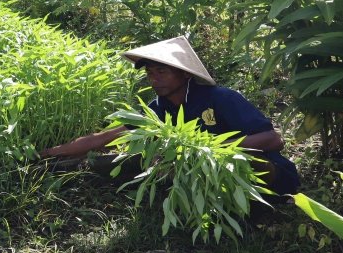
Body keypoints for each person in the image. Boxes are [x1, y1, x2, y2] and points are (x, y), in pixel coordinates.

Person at [40, 36, 299, 197]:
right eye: (150, 73)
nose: (154, 78)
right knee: (124, 162)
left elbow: (274, 140)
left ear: (185, 74)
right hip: (203, 179)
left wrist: (209, 149)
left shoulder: (221, 99)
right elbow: (107, 137)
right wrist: (50, 153)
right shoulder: (159, 108)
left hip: (264, 175)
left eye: (162, 72)